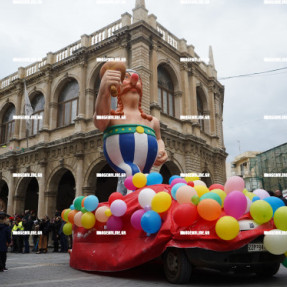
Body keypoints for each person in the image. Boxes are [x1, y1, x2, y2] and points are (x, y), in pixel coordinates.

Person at [94, 65, 168, 194]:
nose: (134, 80)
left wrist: (161, 150)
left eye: (138, 79)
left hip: (146, 172)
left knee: (147, 184)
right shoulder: (111, 117)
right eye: (126, 78)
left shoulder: (152, 121)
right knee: (130, 171)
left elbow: (159, 139)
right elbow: (99, 121)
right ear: (116, 88)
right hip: (126, 169)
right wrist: (103, 91)